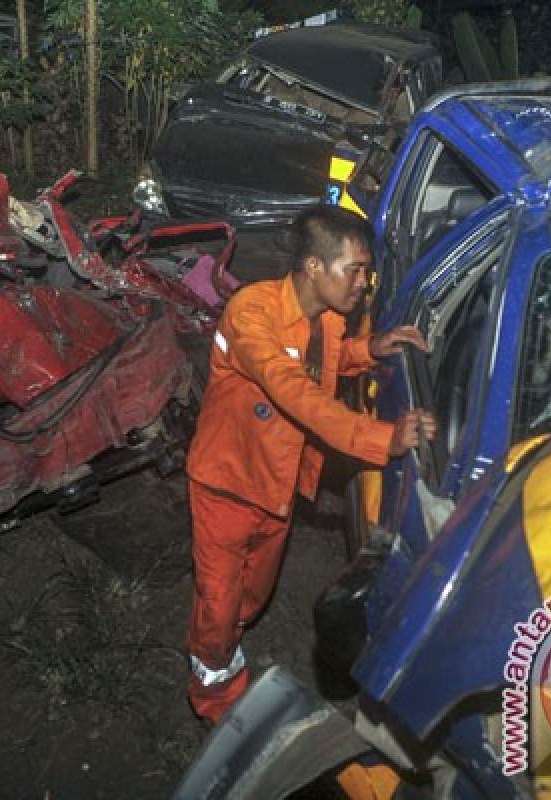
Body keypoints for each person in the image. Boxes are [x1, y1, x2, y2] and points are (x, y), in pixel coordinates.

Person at [185, 204, 437, 725]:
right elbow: (295, 390)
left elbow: (326, 362)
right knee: (219, 602)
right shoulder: (251, 313)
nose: (364, 285)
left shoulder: (327, 319)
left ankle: (230, 643)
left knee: (251, 594)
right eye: (355, 271)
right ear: (314, 268)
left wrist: (372, 349)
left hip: (277, 487)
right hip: (226, 485)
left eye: (366, 273)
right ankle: (217, 704)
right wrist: (381, 440)